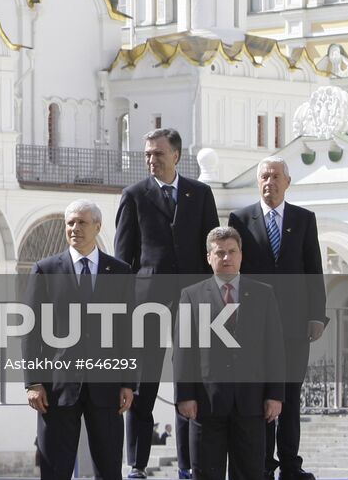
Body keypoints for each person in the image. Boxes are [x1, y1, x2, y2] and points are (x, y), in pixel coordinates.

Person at [114, 128, 218, 480]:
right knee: (144, 384)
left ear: (176, 155)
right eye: (147, 154)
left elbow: (212, 253)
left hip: (193, 301)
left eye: (158, 153)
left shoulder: (201, 195)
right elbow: (124, 258)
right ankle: (137, 464)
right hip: (149, 302)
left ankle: (189, 463)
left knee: (190, 382)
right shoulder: (134, 195)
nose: (151, 160)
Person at [227, 157, 326, 480]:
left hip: (295, 325)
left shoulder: (303, 219)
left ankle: (290, 465)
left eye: (275, 176)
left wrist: (317, 316)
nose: (269, 182)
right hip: (255, 326)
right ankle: (263, 465)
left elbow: (313, 270)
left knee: (290, 397)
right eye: (264, 177)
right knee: (259, 396)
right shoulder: (240, 219)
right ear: (258, 182)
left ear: (287, 181)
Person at [26, 200, 135, 480]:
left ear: (98, 226)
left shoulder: (120, 271)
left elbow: (128, 332)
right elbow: (31, 330)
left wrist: (128, 382)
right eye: (70, 223)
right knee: (54, 469)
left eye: (82, 222)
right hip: (56, 387)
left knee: (109, 467)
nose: (75, 228)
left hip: (107, 386)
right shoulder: (45, 270)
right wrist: (34, 382)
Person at [173, 227, 284, 480]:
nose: (226, 258)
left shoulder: (263, 294)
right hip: (205, 405)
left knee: (249, 474)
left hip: (251, 403)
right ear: (208, 257)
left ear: (241, 255)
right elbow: (183, 350)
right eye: (219, 253)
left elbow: (274, 349)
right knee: (206, 474)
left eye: (232, 252)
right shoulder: (191, 296)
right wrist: (185, 396)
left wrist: (275, 395)